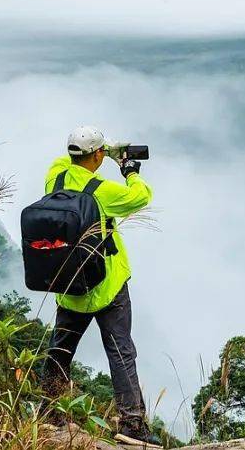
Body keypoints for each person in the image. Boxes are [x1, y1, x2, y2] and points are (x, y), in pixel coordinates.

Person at [40, 125, 156, 446]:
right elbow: (141, 197)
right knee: (121, 352)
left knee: (60, 350)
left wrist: (101, 151)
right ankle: (132, 427)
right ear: (98, 155)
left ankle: (48, 414)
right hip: (107, 287)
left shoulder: (55, 178)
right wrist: (130, 171)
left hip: (68, 285)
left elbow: (63, 161)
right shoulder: (102, 191)